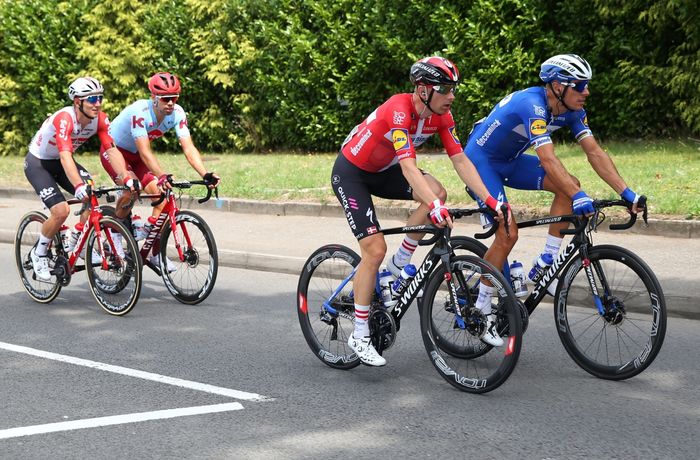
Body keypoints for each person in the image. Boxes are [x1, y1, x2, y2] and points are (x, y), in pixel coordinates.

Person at [331, 56, 507, 366]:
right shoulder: (399, 109)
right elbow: (409, 166)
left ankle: (399, 266)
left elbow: (461, 160)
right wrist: (437, 209)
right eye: (446, 89)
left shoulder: (442, 116)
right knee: (374, 249)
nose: (452, 96)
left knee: (437, 192)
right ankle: (359, 334)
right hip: (353, 173)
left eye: (454, 89)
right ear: (424, 90)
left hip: (384, 171)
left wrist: (491, 202)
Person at [464, 53, 643, 342]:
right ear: (559, 86)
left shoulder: (572, 110)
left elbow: (594, 152)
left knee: (568, 184)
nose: (587, 91)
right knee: (507, 234)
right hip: (480, 163)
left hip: (510, 160)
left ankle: (546, 261)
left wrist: (627, 193)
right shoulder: (533, 104)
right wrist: (579, 196)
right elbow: (547, 159)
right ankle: (481, 307)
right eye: (580, 85)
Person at [101, 71, 220, 272]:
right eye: (165, 98)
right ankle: (114, 233)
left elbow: (188, 148)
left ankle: (154, 250)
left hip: (137, 157)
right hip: (114, 152)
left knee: (163, 196)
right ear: (153, 98)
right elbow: (145, 151)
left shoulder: (178, 114)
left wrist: (205, 174)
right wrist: (162, 174)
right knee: (132, 189)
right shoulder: (139, 112)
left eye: (174, 98)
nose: (171, 103)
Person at [24, 76, 137, 281]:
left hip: (61, 161)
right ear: (78, 101)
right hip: (39, 163)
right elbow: (66, 155)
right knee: (61, 211)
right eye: (92, 99)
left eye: (100, 98)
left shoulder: (100, 119)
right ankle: (39, 253)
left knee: (91, 194)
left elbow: (111, 150)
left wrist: (126, 177)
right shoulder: (65, 119)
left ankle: (78, 237)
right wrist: (77, 186)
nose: (98, 103)